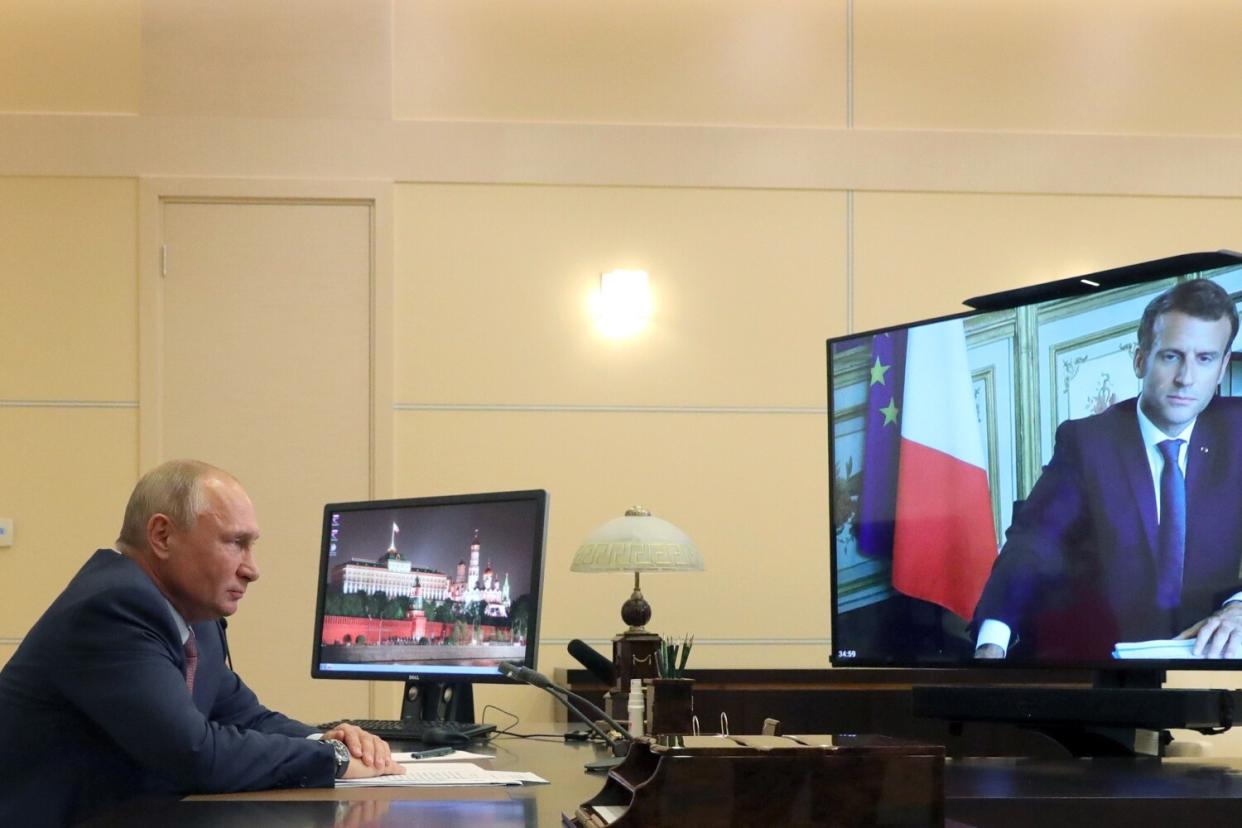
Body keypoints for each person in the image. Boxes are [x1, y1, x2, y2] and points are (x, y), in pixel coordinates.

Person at [0, 460, 403, 826]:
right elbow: (195, 754)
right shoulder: (112, 609)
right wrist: (331, 761)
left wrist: (328, 739)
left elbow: (246, 717)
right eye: (235, 543)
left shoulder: (193, 617)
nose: (252, 570)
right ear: (162, 536)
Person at [974, 279, 1242, 660]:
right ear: (1139, 360)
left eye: (1205, 359)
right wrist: (993, 642)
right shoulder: (1087, 443)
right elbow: (1032, 546)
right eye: (1171, 356)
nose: (1187, 378)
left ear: (1221, 369)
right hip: (1111, 669)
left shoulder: (1238, 433)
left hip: (1210, 664)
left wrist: (1239, 608)